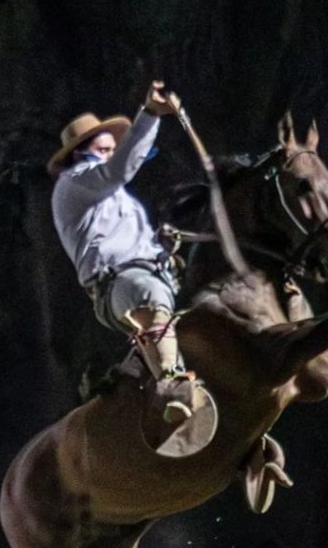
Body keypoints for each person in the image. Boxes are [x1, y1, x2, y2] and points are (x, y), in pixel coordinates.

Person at [48, 80, 208, 435]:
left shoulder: (111, 196)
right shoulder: (74, 182)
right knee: (145, 291)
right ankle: (171, 386)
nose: (112, 152)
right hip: (117, 287)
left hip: (149, 273)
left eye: (112, 148)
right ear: (83, 153)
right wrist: (150, 114)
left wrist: (160, 245)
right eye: (104, 148)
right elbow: (120, 169)